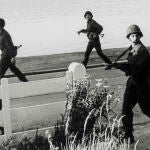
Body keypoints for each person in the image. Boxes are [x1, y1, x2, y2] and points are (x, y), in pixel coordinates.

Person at [113, 25, 150, 144]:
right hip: (133, 83)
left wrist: (120, 66)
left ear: (140, 36)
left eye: (137, 34)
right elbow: (131, 65)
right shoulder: (132, 48)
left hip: (142, 85)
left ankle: (128, 135)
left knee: (147, 110)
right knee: (126, 109)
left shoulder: (142, 50)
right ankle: (128, 136)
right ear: (129, 37)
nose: (134, 36)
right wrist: (118, 65)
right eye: (132, 35)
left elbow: (137, 69)